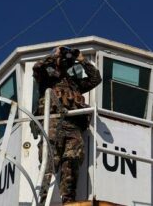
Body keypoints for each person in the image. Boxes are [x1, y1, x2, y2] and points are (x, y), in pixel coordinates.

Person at [32, 46, 102, 204]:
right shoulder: (47, 79)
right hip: (53, 125)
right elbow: (37, 67)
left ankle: (68, 202)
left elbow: (95, 79)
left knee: (71, 164)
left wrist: (83, 61)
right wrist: (53, 55)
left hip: (73, 128)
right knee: (49, 164)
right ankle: (42, 200)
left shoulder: (74, 84)